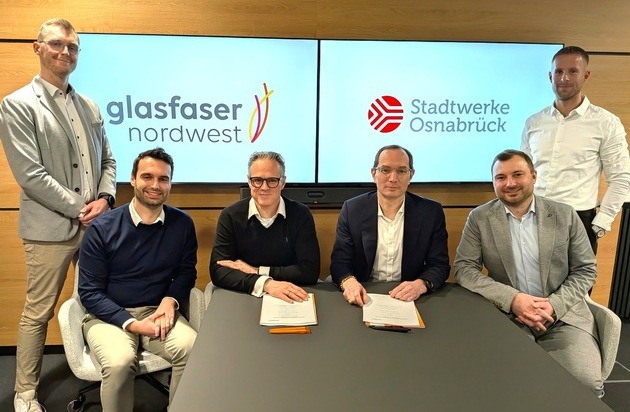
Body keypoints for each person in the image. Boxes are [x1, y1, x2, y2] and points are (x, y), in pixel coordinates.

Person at [0, 18, 116, 411]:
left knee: (99, 300)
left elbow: (108, 160)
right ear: (38, 48)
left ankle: (106, 372)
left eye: (72, 47)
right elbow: (30, 175)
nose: (65, 52)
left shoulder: (90, 106)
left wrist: (106, 198)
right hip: (50, 229)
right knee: (39, 312)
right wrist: (81, 208)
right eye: (56, 44)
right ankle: (25, 394)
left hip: (97, 226)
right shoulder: (17, 105)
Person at [454, 149, 602, 396]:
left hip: (563, 317)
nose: (510, 183)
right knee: (505, 381)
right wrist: (512, 299)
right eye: (501, 177)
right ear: (493, 182)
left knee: (584, 384)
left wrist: (553, 305)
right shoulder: (480, 218)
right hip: (508, 317)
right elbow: (464, 268)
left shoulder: (564, 214)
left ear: (533, 176)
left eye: (517, 174)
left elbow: (585, 269)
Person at [78, 148, 197, 412]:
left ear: (170, 184)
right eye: (147, 177)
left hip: (158, 313)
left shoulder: (182, 224)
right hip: (109, 316)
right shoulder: (101, 228)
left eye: (163, 179)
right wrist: (131, 323)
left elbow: (186, 272)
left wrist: (170, 300)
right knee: (119, 362)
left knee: (193, 348)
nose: (155, 185)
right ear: (133, 179)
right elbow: (89, 293)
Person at [521, 45, 630, 254]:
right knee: (528, 277)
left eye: (573, 71)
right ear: (550, 76)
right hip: (534, 218)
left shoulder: (606, 123)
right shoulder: (534, 122)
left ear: (585, 75)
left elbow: (621, 178)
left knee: (578, 278)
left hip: (579, 220)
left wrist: (600, 223)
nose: (564, 78)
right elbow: (523, 174)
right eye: (559, 72)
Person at [330, 144, 450, 306]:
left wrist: (420, 285)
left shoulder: (430, 212)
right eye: (385, 170)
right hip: (364, 291)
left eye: (401, 171)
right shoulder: (353, 209)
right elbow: (340, 262)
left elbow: (439, 265)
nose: (393, 178)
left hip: (409, 295)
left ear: (411, 175)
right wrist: (349, 282)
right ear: (374, 174)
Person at [210, 151, 320, 303]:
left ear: (283, 182)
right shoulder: (230, 215)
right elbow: (218, 270)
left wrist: (257, 271)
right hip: (245, 294)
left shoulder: (300, 214)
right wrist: (266, 284)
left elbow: (309, 271)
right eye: (257, 180)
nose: (264, 187)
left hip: (291, 295)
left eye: (272, 180)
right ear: (249, 182)